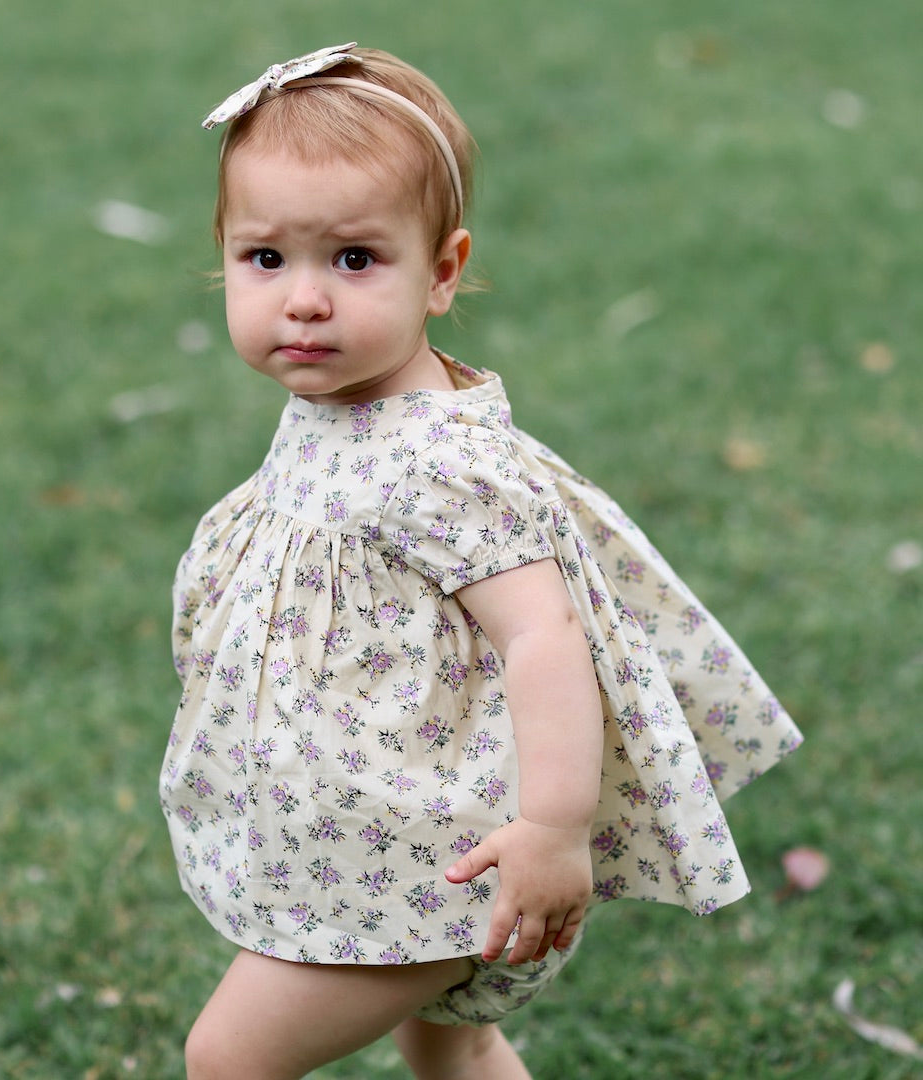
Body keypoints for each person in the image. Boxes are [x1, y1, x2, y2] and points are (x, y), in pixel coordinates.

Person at [160, 43, 802, 1079]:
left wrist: (553, 830)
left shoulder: (440, 462)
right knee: (452, 1054)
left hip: (441, 851)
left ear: (443, 271)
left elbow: (544, 635)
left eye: (355, 259)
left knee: (229, 1057)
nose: (305, 299)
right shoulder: (340, 409)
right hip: (375, 825)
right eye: (265, 259)